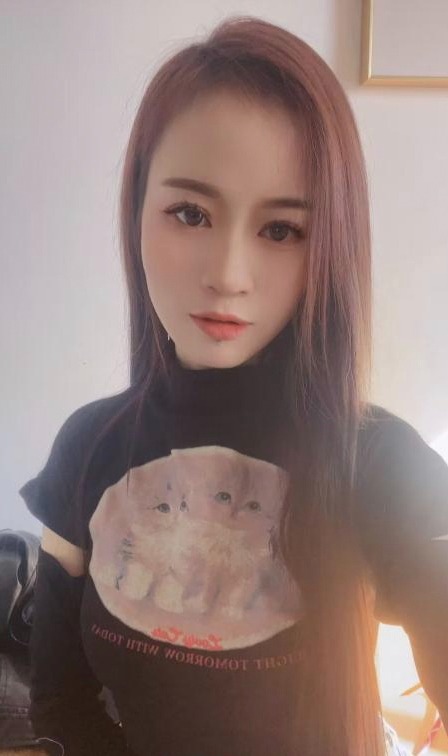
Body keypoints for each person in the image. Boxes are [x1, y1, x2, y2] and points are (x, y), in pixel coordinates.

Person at [18, 14, 448, 756]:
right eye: (190, 214)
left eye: (280, 230)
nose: (228, 275)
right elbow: (59, 704)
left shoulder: (379, 461)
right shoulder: (88, 447)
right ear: (137, 213)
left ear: (329, 245)